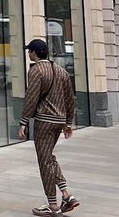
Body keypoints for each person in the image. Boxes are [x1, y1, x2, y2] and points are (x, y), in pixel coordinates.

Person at [18, 39, 80, 216]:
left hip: (44, 121)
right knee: (49, 157)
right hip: (59, 120)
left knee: (44, 161)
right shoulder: (61, 71)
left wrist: (23, 121)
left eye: (29, 51)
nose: (29, 54)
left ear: (35, 53)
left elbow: (31, 97)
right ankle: (66, 193)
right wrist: (68, 122)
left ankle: (52, 205)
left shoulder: (36, 70)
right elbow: (70, 98)